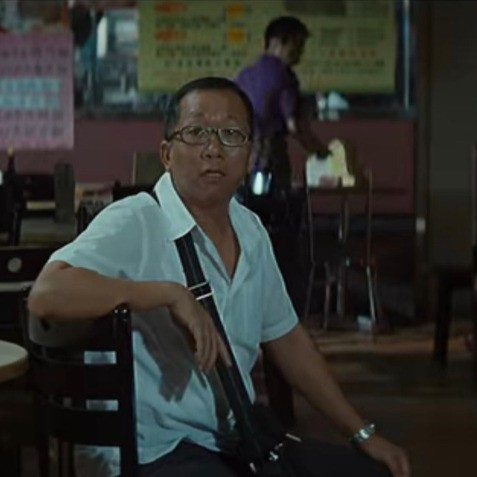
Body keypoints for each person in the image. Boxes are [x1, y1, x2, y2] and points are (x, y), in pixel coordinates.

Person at [28, 76, 409, 477]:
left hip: (234, 440)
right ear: (167, 154)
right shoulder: (136, 219)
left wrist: (361, 433)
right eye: (196, 133)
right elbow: (47, 293)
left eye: (231, 134)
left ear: (248, 156)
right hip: (153, 452)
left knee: (373, 473)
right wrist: (169, 294)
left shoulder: (251, 230)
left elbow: (288, 339)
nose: (213, 149)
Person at [236, 16, 329, 194]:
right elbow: (295, 126)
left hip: (239, 156)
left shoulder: (244, 75)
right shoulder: (284, 76)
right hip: (270, 155)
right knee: (275, 204)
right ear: (276, 42)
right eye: (297, 45)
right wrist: (319, 150)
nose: (300, 52)